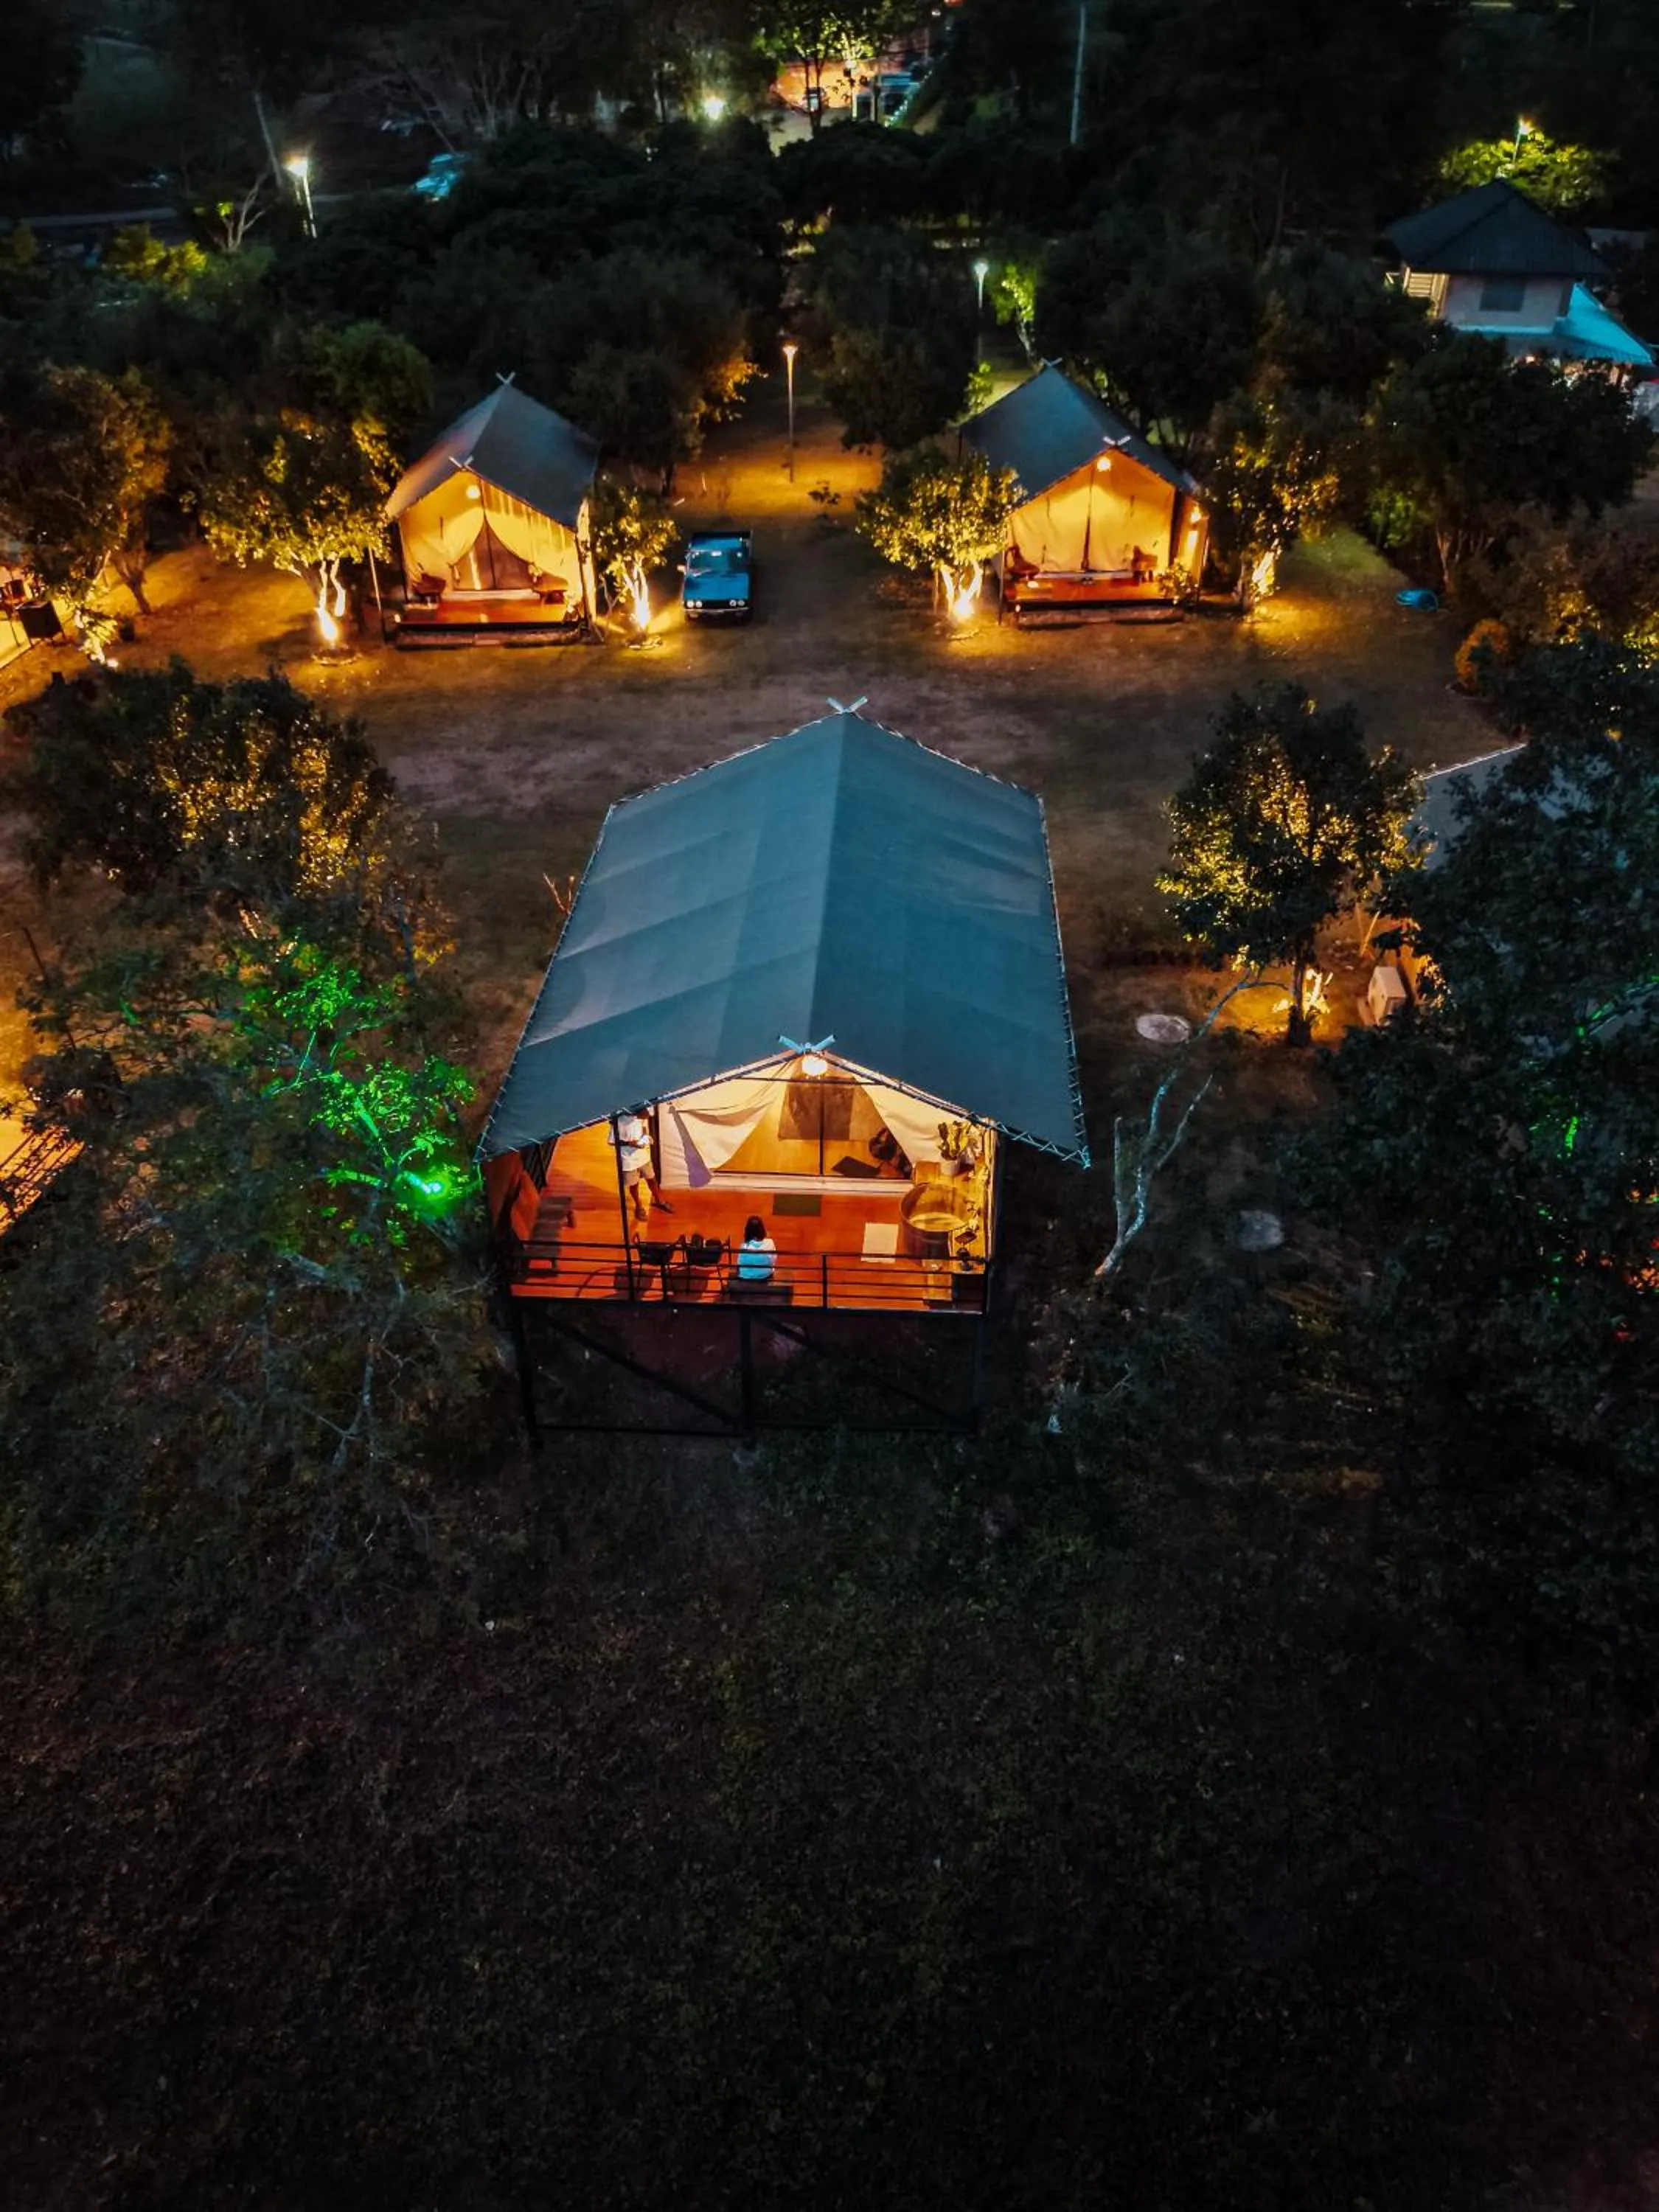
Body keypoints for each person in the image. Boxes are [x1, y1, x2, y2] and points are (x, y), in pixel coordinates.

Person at [610, 1107, 672, 1227]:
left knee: (652, 1179)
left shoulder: (641, 1119)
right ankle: (639, 1205)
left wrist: (645, 1138)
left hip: (642, 1156)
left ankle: (659, 1200)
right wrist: (629, 1143)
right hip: (627, 1159)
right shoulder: (619, 1121)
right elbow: (612, 1141)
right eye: (644, 1115)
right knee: (634, 1184)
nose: (645, 1117)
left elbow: (644, 1128)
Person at [736, 1214, 776, 1283]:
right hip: (765, 1277)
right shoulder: (770, 1243)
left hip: (745, 1279)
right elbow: (773, 1262)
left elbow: (739, 1264)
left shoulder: (744, 1246)